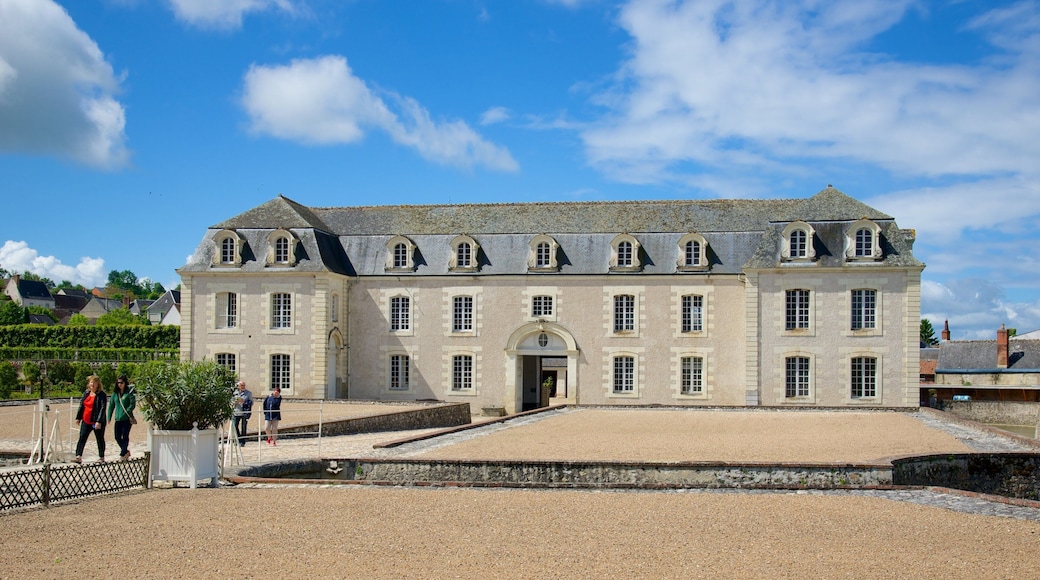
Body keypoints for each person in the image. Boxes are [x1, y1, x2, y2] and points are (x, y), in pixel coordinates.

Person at [73, 375, 107, 463]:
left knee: (99, 438)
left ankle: (101, 457)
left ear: (98, 384)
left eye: (94, 382)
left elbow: (103, 408)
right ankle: (78, 456)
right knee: (82, 437)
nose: (92, 384)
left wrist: (99, 421)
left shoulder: (102, 395)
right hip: (86, 420)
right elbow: (82, 405)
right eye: (91, 382)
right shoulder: (86, 393)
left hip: (96, 421)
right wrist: (78, 417)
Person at [107, 374, 136, 461]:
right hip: (118, 419)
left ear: (125, 383)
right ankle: (125, 451)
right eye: (118, 383)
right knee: (117, 437)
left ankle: (123, 454)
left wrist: (127, 411)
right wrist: (109, 417)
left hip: (126, 419)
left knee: (125, 435)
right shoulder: (115, 394)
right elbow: (111, 406)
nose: (119, 384)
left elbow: (132, 404)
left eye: (121, 382)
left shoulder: (129, 393)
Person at [232, 380, 254, 446]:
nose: (243, 386)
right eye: (241, 385)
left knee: (243, 427)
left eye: (244, 385)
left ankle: (243, 442)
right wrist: (234, 402)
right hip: (236, 411)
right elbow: (231, 401)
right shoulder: (234, 393)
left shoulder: (248, 393)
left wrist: (244, 402)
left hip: (245, 412)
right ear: (238, 386)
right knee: (235, 426)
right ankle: (238, 439)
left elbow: (251, 402)